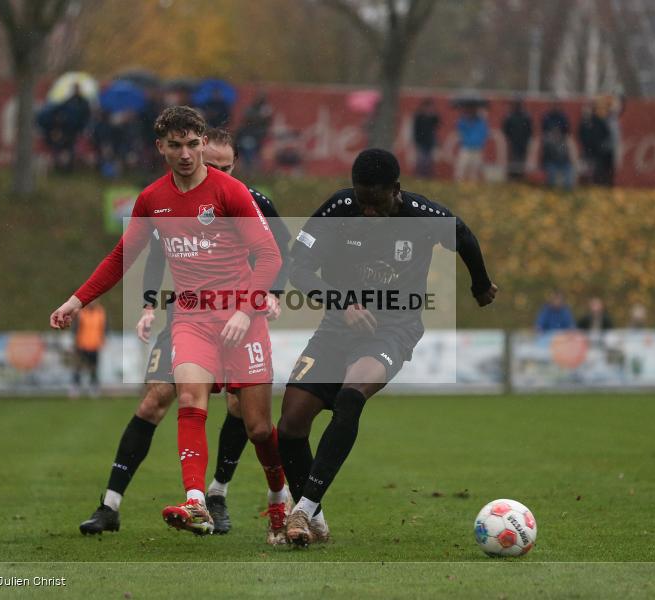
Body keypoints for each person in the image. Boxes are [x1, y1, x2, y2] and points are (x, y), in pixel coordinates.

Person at [50, 106, 289, 540]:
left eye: (193, 144)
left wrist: (246, 308)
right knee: (188, 400)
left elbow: (271, 255)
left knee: (257, 428)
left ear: (202, 143)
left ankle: (279, 498)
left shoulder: (230, 192)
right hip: (192, 317)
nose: (186, 154)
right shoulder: (152, 199)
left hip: (241, 319)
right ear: (160, 147)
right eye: (176, 145)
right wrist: (76, 300)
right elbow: (123, 257)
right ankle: (196, 500)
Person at [276, 148, 497, 546]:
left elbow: (462, 234)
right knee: (290, 426)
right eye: (363, 203)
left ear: (396, 190)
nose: (369, 213)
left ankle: (303, 508)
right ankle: (316, 521)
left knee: (349, 397)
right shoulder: (339, 208)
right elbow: (299, 269)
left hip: (394, 327)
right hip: (337, 326)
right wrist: (342, 305)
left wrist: (480, 284)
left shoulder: (422, 215)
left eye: (376, 205)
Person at [71, 301, 107, 397]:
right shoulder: (81, 312)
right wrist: (75, 342)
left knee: (93, 368)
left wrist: (103, 340)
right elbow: (75, 328)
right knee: (78, 367)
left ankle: (94, 387)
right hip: (82, 344)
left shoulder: (100, 312)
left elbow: (104, 327)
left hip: (95, 344)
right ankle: (75, 387)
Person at [541, 103, 574, 190]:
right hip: (551, 163)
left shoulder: (565, 141)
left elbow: (570, 154)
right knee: (552, 180)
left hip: (564, 163)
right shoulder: (547, 141)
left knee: (569, 182)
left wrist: (574, 162)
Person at [454, 105, 489, 182]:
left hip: (477, 148)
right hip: (466, 147)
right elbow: (459, 130)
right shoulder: (463, 121)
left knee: (474, 169)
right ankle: (458, 183)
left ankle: (472, 185)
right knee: (461, 167)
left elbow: (484, 134)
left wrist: (480, 143)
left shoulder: (481, 122)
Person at [502, 99, 532, 181]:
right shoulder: (510, 117)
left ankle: (519, 180)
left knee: (520, 164)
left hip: (522, 144)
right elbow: (505, 131)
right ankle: (512, 180)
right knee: (512, 164)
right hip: (512, 144)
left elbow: (530, 132)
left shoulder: (525, 117)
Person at [412, 98, 440, 178]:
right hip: (421, 141)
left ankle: (427, 175)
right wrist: (416, 140)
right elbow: (416, 129)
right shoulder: (419, 116)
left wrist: (433, 115)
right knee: (421, 159)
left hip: (430, 141)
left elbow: (437, 124)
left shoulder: (433, 117)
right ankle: (420, 175)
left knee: (429, 159)